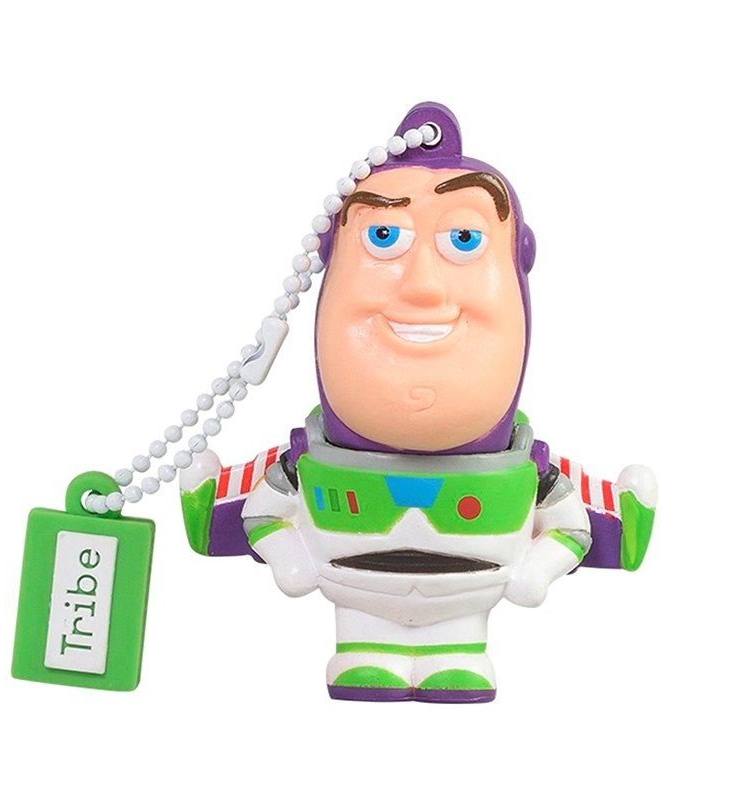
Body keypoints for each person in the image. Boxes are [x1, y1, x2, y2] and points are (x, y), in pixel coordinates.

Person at [181, 102, 657, 703]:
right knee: (364, 654)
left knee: (458, 657)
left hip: (466, 608)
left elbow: (576, 525)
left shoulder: (530, 472)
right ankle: (367, 656)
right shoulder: (304, 464)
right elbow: (256, 512)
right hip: (358, 603)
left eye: (464, 239)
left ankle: (456, 657)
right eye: (383, 237)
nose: (425, 286)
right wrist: (282, 554)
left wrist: (539, 570)